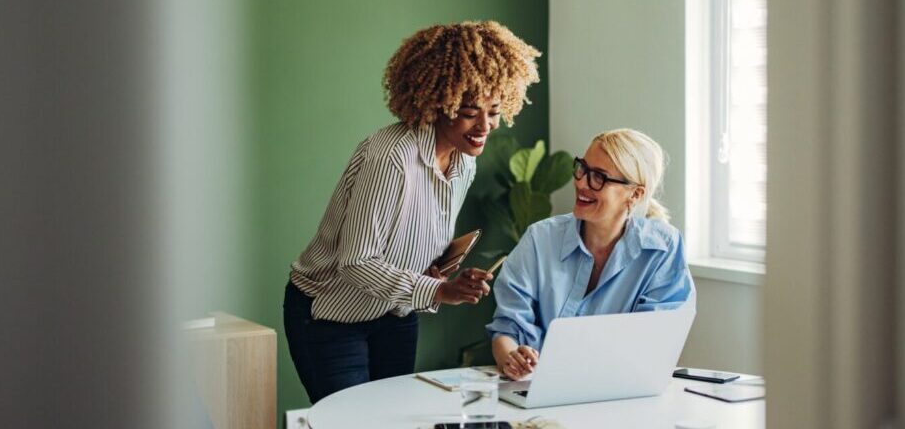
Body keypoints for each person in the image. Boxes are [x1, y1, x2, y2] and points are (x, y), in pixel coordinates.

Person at [285, 21, 542, 403]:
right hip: (330, 318)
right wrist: (439, 290)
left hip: (396, 315)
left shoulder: (463, 162)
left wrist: (440, 272)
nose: (485, 126)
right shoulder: (392, 158)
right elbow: (355, 262)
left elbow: (407, 244)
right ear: (439, 103)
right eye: (470, 112)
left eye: (493, 111)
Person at [487, 129, 694, 380]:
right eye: (582, 168)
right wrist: (511, 357)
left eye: (599, 177)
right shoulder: (539, 239)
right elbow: (507, 328)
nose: (581, 183)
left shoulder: (662, 248)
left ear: (635, 194)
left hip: (621, 391)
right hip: (537, 388)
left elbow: (652, 342)